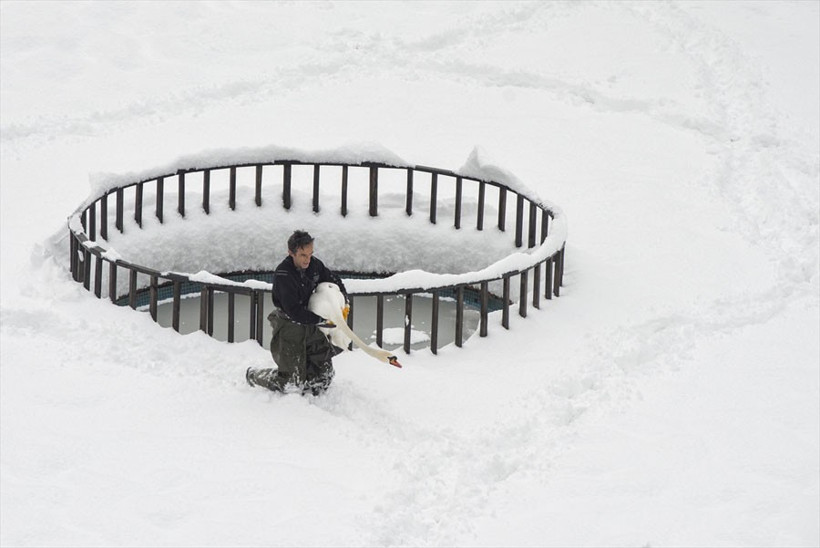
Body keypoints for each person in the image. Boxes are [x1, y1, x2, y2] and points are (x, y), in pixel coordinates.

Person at [246, 230, 349, 395]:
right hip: (290, 323)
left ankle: (309, 373)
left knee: (324, 377)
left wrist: (344, 299)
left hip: (311, 319)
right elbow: (294, 311)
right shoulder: (284, 275)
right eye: (303, 255)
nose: (308, 259)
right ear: (291, 253)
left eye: (310, 254)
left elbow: (333, 279)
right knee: (291, 383)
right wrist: (319, 320)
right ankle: (254, 375)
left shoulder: (314, 265)